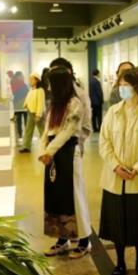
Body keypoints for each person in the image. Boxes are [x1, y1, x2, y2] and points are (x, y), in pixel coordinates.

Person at [99, 67, 138, 275]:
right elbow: (104, 142)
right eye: (120, 85)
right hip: (114, 177)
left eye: (126, 85)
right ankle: (120, 263)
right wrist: (115, 165)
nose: (121, 88)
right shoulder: (113, 111)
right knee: (117, 224)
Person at [38, 67, 93, 259]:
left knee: (74, 196)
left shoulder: (75, 103)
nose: (48, 87)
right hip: (53, 154)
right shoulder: (55, 104)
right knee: (56, 196)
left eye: (51, 83)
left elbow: (68, 131)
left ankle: (84, 241)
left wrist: (49, 151)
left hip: (68, 152)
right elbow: (47, 130)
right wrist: (44, 150)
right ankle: (62, 238)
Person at [49, 58, 92, 155]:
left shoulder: (80, 96)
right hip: (53, 149)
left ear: (68, 72)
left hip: (71, 148)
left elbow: (86, 125)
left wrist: (76, 143)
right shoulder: (55, 95)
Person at [20, 73, 46, 153]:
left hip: (37, 113)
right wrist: (25, 105)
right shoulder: (31, 90)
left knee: (42, 131)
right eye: (30, 79)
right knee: (28, 130)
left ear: (37, 80)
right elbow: (28, 99)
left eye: (32, 79)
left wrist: (38, 115)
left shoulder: (40, 90)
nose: (30, 81)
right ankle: (26, 146)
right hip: (30, 112)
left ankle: (47, 146)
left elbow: (40, 103)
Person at [10, 70, 29, 140]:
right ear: (18, 76)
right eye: (21, 76)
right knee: (22, 120)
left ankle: (21, 135)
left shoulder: (17, 83)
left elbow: (15, 93)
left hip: (20, 104)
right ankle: (23, 135)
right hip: (21, 104)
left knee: (20, 120)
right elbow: (25, 92)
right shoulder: (20, 84)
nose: (22, 77)